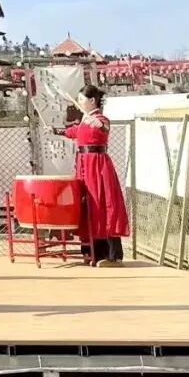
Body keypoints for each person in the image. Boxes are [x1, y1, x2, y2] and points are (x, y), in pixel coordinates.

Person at [52, 84, 129, 267]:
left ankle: (112, 255)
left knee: (103, 205)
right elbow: (73, 132)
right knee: (88, 206)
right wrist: (55, 131)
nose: (79, 102)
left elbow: (105, 128)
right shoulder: (84, 121)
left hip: (98, 167)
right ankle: (92, 251)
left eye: (82, 99)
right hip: (84, 167)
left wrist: (99, 125)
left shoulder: (101, 119)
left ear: (92, 100)